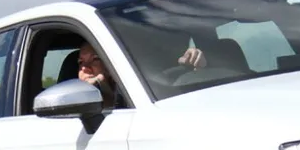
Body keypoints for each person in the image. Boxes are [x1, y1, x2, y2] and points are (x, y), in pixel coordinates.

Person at [77, 41, 207, 108]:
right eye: (80, 62)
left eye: (95, 59)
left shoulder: (143, 92)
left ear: (112, 66)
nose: (85, 68)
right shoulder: (71, 109)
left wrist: (199, 68)